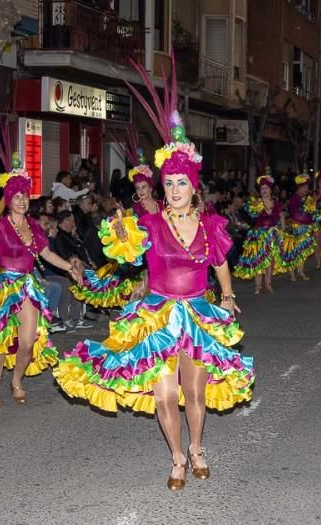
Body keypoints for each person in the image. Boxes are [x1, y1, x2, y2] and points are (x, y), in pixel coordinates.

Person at [54, 55, 254, 490]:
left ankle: (198, 447)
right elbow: (125, 255)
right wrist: (119, 233)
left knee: (196, 395)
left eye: (182, 183)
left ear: (194, 186)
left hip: (198, 315)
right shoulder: (149, 223)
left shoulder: (210, 223)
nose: (175, 190)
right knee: (164, 394)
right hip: (159, 316)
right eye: (169, 184)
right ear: (161, 188)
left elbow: (219, 260)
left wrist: (228, 294)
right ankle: (178, 458)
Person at [0, 150, 84, 406]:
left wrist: (70, 268)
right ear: (8, 199)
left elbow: (46, 253)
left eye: (24, 195)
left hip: (27, 285)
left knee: (28, 342)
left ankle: (16, 380)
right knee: (0, 340)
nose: (21, 200)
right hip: (3, 286)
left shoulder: (33, 225)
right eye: (16, 196)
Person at [233, 170, 281, 294]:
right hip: (258, 234)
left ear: (270, 190)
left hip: (271, 234)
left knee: (269, 260)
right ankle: (257, 285)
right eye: (262, 188)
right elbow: (247, 216)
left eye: (266, 188)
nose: (264, 191)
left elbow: (280, 216)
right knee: (258, 259)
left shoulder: (276, 204)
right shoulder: (255, 203)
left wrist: (281, 230)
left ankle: (268, 284)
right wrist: (253, 214)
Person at [278, 174, 317, 281]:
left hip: (306, 227)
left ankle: (300, 271)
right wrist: (305, 211)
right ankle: (292, 273)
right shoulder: (294, 198)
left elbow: (312, 213)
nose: (306, 189)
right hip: (296, 227)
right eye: (304, 187)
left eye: (307, 187)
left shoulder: (307, 199)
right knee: (293, 250)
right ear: (299, 188)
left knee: (302, 250)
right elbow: (294, 214)